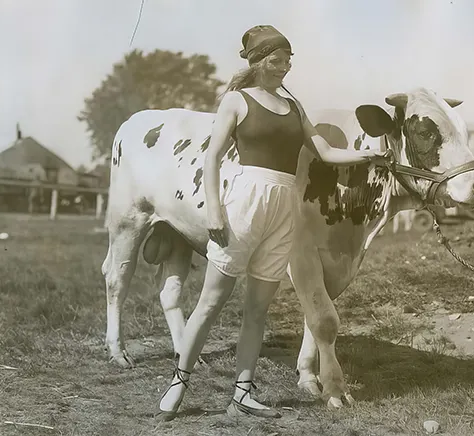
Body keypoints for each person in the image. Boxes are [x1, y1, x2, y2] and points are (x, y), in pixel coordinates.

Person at [155, 25, 391, 421]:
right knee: (211, 302)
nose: (284, 67)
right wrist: (214, 211)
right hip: (245, 201)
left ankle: (242, 393)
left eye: (288, 61)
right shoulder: (237, 100)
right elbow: (212, 157)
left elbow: (327, 152)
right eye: (276, 60)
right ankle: (179, 381)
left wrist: (369, 157)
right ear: (257, 61)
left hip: (285, 208)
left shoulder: (294, 106)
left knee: (258, 310)